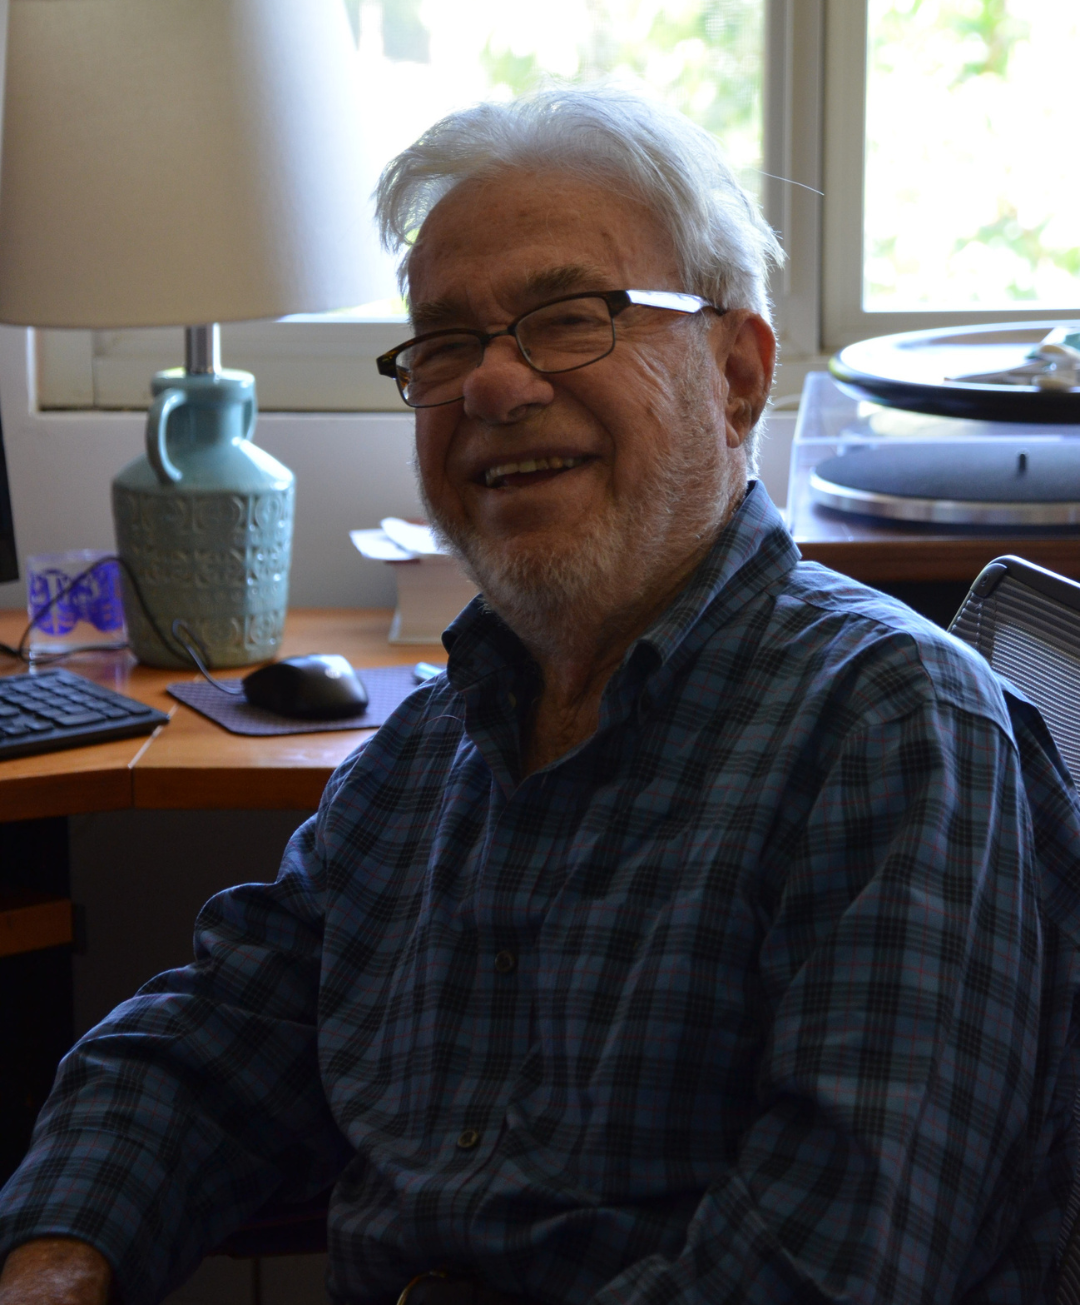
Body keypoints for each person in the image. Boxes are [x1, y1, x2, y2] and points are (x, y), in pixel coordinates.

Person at [2, 86, 1080, 1305]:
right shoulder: (437, 740)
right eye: (445, 343)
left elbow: (822, 1272)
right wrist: (57, 1260)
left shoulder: (893, 734)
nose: (493, 388)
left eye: (570, 319)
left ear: (736, 374)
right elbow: (215, 1039)